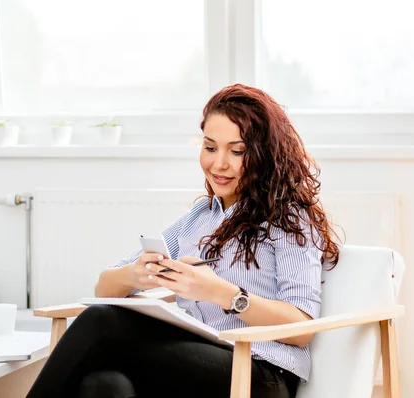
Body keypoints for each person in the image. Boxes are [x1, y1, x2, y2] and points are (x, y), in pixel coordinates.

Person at [26, 84, 341, 398]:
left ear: (264, 153)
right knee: (104, 386)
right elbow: (103, 288)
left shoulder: (288, 216)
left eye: (237, 151)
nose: (219, 164)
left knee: (100, 322)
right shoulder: (200, 216)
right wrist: (134, 275)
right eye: (210, 147)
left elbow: (301, 326)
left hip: (259, 374)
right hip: (200, 360)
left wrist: (222, 293)